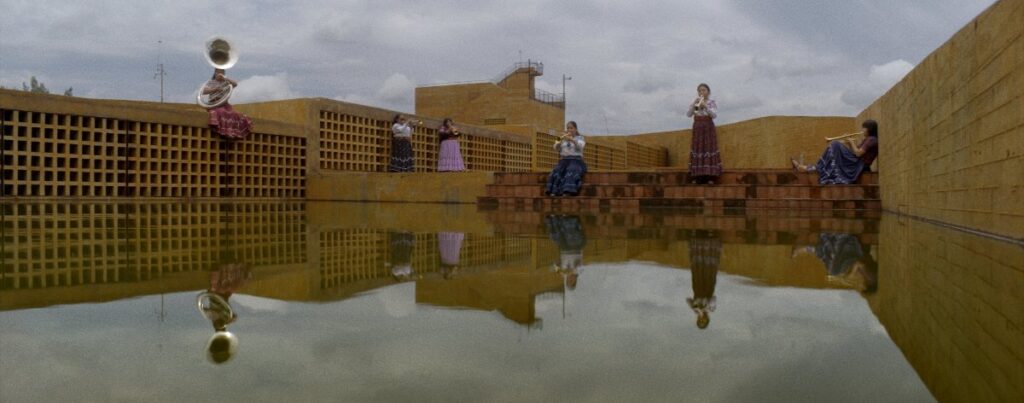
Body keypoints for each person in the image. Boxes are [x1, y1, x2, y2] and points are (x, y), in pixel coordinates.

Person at [792, 120, 879, 184]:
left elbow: (858, 153)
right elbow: (855, 151)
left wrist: (851, 142)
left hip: (858, 164)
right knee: (835, 145)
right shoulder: (868, 139)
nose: (862, 130)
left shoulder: (872, 140)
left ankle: (806, 168)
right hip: (856, 161)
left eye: (864, 128)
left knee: (835, 144)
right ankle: (808, 167)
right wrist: (849, 143)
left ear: (869, 129)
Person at [792, 232, 878, 293]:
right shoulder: (871, 277)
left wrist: (847, 276)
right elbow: (859, 264)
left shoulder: (869, 278)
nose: (863, 283)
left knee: (832, 266)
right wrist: (849, 276)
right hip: (853, 250)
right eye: (865, 284)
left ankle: (808, 249)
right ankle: (809, 248)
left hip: (851, 255)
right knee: (834, 269)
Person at [686, 83, 722, 184]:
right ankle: (698, 176)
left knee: (708, 149)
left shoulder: (711, 102)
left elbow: (714, 115)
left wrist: (705, 106)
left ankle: (710, 176)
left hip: (708, 127)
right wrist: (694, 105)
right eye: (700, 90)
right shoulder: (695, 102)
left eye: (704, 90)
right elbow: (688, 114)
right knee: (698, 149)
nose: (701, 92)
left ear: (708, 92)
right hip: (698, 128)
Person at [204, 68, 253, 140]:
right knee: (221, 112)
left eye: (222, 72)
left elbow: (235, 84)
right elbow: (204, 91)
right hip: (214, 103)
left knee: (235, 114)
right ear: (215, 73)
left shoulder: (226, 83)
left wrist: (225, 78)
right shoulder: (211, 82)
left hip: (224, 103)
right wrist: (215, 89)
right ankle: (224, 133)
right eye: (218, 72)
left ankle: (232, 133)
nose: (220, 74)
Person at [686, 229, 720, 329]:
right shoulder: (711, 309)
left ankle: (698, 238)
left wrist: (694, 307)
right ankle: (710, 237)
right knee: (708, 267)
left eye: (700, 320)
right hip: (708, 282)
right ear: (707, 319)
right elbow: (714, 298)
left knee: (697, 265)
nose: (701, 318)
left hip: (697, 280)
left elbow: (687, 299)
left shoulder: (696, 309)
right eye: (703, 320)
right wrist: (704, 309)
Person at [546, 121, 588, 196]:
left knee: (571, 169)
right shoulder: (563, 139)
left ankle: (568, 190)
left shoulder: (580, 138)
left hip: (576, 160)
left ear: (575, 129)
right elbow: (556, 148)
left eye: (571, 128)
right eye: (568, 128)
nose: (569, 130)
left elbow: (580, 147)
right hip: (564, 160)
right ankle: (553, 191)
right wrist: (558, 143)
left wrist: (572, 140)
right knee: (557, 170)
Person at [547, 214, 586, 290]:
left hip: (564, 249)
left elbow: (554, 267)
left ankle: (553, 218)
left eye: (568, 281)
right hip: (575, 248)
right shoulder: (579, 272)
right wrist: (569, 271)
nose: (569, 279)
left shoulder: (563, 273)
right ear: (575, 280)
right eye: (571, 281)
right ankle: (570, 218)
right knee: (570, 234)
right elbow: (577, 266)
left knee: (555, 237)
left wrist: (556, 267)